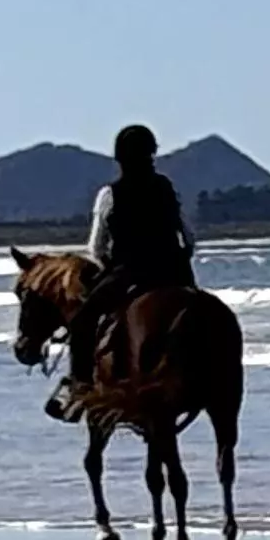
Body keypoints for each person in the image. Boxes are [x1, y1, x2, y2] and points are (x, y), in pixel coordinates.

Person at [58, 122, 195, 417]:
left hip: (132, 271)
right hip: (175, 272)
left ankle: (80, 390)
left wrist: (109, 267)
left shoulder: (110, 194)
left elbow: (96, 248)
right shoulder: (166, 187)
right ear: (152, 154)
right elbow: (188, 236)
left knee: (82, 322)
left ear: (120, 158)